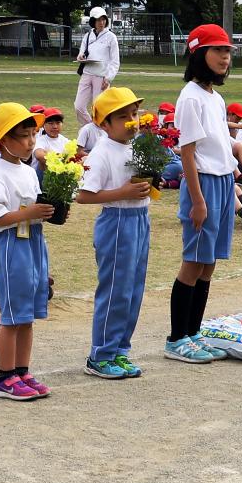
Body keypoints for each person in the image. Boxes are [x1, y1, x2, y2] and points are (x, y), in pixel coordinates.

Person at [165, 25, 238, 363]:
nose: (225, 57)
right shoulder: (191, 96)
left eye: (228, 51)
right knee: (193, 262)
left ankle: (194, 332)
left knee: (208, 264)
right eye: (217, 50)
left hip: (222, 182)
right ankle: (177, 338)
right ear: (197, 54)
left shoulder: (215, 96)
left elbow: (218, 141)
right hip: (204, 184)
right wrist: (197, 200)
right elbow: (188, 152)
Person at [0, 102, 54, 400]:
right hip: (11, 246)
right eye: (23, 136)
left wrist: (49, 212)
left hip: (33, 242)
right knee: (11, 316)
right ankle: (5, 378)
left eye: (34, 134)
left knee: (27, 314)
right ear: (3, 140)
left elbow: (34, 206)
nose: (31, 141)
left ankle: (23, 370)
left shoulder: (29, 171)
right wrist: (27, 212)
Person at [77, 85, 151, 380]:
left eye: (134, 114)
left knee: (133, 289)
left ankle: (120, 349)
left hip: (140, 219)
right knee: (115, 290)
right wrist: (123, 192)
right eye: (122, 117)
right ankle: (101, 354)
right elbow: (83, 195)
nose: (131, 121)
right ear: (103, 124)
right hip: (117, 221)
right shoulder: (102, 152)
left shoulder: (136, 146)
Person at [73, 6, 120, 127]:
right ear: (93, 21)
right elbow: (81, 53)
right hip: (87, 73)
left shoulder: (111, 37)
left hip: (101, 76)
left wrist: (108, 78)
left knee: (98, 108)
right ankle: (92, 127)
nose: (101, 22)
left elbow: (115, 61)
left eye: (103, 19)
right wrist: (80, 57)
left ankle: (99, 133)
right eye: (98, 20)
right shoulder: (88, 36)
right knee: (78, 106)